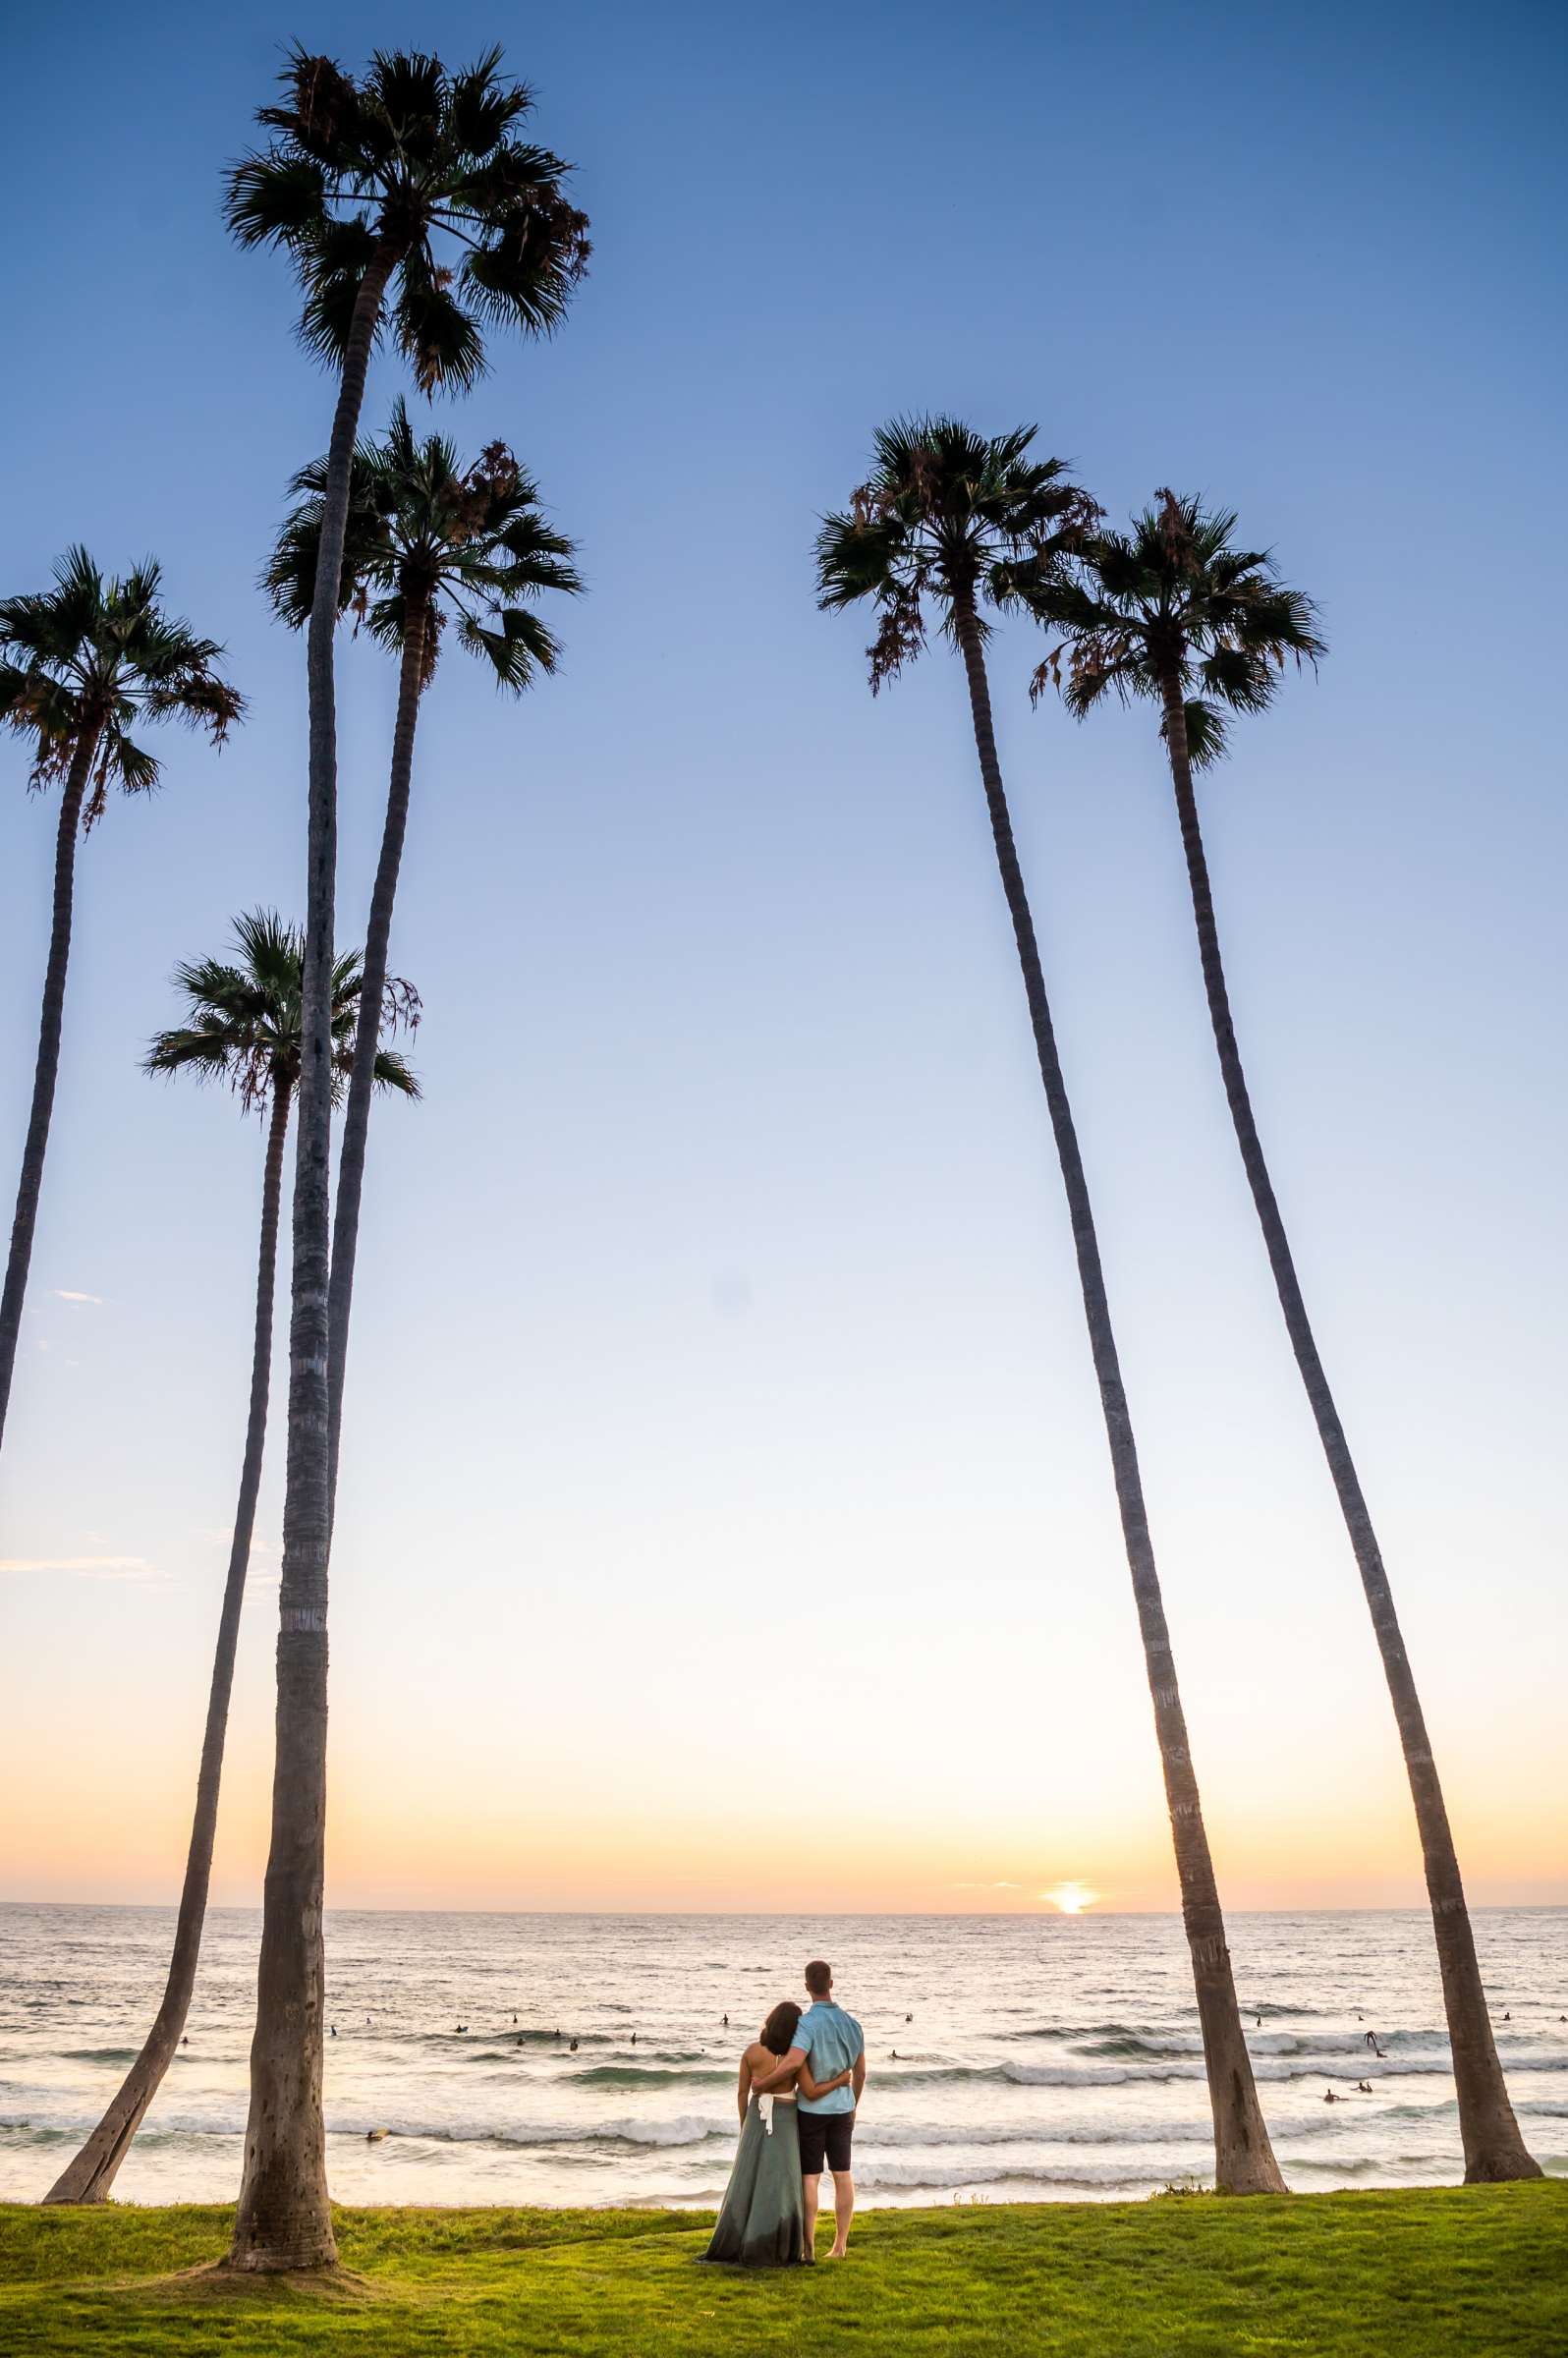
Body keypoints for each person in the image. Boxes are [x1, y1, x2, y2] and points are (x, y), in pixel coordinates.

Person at [700, 2000, 851, 2267]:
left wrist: (745, 2124)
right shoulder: (796, 2057)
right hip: (786, 2119)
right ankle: (786, 2242)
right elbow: (810, 2090)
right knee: (785, 2181)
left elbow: (742, 2093)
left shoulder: (751, 2052)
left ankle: (739, 2236)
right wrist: (839, 2081)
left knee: (748, 2178)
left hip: (756, 2118)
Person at [754, 1960, 866, 2260]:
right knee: (843, 2174)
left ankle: (809, 2248)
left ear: (807, 1987)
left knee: (810, 2177)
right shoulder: (853, 2025)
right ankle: (840, 2246)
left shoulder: (807, 2024)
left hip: (812, 2111)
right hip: (842, 2109)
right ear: (831, 1983)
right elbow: (861, 2073)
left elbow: (792, 2063)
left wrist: (763, 2083)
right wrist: (854, 2104)